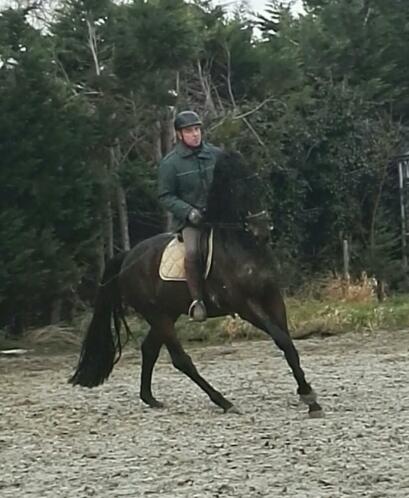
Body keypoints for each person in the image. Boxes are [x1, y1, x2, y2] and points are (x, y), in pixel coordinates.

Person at [158, 110, 221, 322]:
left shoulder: (215, 154)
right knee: (193, 252)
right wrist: (189, 212)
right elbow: (166, 196)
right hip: (191, 221)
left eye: (197, 129)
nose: (195, 134)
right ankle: (198, 301)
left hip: (219, 217)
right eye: (189, 131)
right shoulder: (171, 163)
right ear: (179, 135)